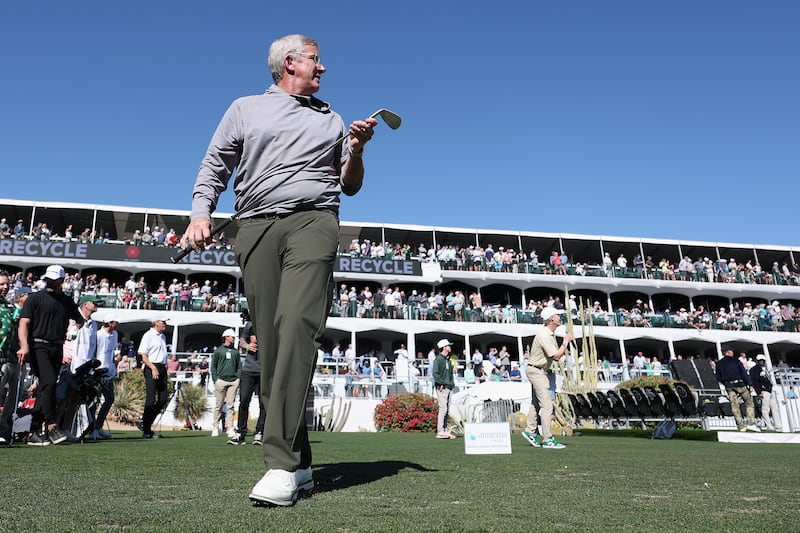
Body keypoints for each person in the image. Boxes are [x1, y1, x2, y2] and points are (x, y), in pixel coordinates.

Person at [184, 33, 378, 507]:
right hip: (253, 226)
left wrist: (356, 148)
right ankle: (303, 461)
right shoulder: (245, 108)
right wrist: (199, 212)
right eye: (316, 60)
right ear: (290, 63)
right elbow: (215, 164)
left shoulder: (332, 118)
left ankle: (280, 464)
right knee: (270, 345)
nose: (323, 68)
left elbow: (348, 185)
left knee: (297, 324)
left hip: (315, 219)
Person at [17, 265, 83, 446]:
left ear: (61, 281)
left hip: (57, 347)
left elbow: (79, 319)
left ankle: (33, 432)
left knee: (48, 387)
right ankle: (52, 425)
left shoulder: (66, 301)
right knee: (48, 382)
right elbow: (24, 324)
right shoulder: (35, 299)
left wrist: (75, 328)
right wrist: (24, 346)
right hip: (38, 346)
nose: (50, 282)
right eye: (49, 279)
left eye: (54, 279)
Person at [522, 307, 573, 450]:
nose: (559, 317)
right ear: (551, 319)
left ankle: (530, 432)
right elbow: (556, 356)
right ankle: (548, 439)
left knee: (536, 403)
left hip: (538, 370)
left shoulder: (548, 333)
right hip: (537, 371)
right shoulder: (545, 334)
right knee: (547, 405)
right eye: (557, 315)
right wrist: (565, 341)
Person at [229, 324, 266, 446]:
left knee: (263, 402)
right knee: (244, 400)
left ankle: (260, 432)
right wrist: (247, 345)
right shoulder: (250, 324)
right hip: (249, 370)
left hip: (265, 370)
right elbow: (242, 341)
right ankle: (241, 433)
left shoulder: (270, 322)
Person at [138, 316, 170, 439]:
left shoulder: (162, 336)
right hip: (151, 367)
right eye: (163, 322)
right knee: (150, 400)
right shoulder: (148, 335)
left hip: (161, 367)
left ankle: (146, 423)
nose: (165, 325)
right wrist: (153, 368)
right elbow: (143, 355)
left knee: (163, 399)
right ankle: (146, 428)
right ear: (156, 323)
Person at [716, 346, 759, 432]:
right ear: (727, 352)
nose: (732, 352)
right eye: (731, 351)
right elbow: (743, 373)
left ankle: (741, 426)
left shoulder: (719, 363)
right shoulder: (736, 361)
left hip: (729, 386)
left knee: (734, 405)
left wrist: (726, 383)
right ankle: (750, 423)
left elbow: (718, 377)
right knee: (749, 402)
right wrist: (750, 384)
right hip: (740, 384)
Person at [211, 329, 241, 438]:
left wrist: (238, 378)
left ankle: (230, 427)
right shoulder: (218, 351)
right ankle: (215, 427)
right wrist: (215, 380)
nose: (233, 338)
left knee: (230, 406)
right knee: (218, 405)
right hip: (221, 381)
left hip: (233, 381)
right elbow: (213, 367)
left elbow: (239, 366)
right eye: (232, 337)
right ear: (226, 337)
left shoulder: (235, 352)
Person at [93, 315, 119, 439]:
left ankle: (98, 426)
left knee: (109, 399)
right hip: (98, 372)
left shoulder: (115, 335)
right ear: (109, 322)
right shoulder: (98, 335)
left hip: (109, 373)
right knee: (94, 401)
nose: (117, 324)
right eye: (115, 322)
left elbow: (112, 352)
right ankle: (92, 428)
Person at [432, 339, 457, 440]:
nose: (450, 347)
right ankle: (440, 431)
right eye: (448, 346)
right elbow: (435, 373)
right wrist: (441, 383)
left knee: (446, 409)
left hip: (449, 387)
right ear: (444, 347)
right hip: (443, 387)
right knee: (443, 408)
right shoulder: (438, 359)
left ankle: (444, 429)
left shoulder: (447, 359)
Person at [749, 354, 781, 431]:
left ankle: (778, 425)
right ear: (757, 361)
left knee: (775, 408)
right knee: (765, 409)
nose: (762, 362)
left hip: (770, 390)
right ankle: (769, 426)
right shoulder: (754, 369)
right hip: (763, 390)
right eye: (760, 360)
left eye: (763, 360)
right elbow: (754, 381)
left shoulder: (764, 369)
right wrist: (759, 392)